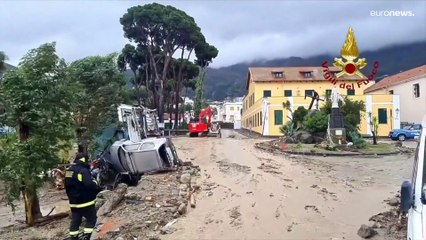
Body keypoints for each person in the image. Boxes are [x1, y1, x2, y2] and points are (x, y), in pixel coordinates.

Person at [65, 152, 100, 240]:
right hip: (85, 202)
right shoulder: (83, 171)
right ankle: (86, 237)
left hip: (73, 203)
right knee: (91, 219)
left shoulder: (69, 171)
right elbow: (89, 185)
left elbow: (67, 185)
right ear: (85, 160)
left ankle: (73, 237)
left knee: (75, 221)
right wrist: (96, 183)